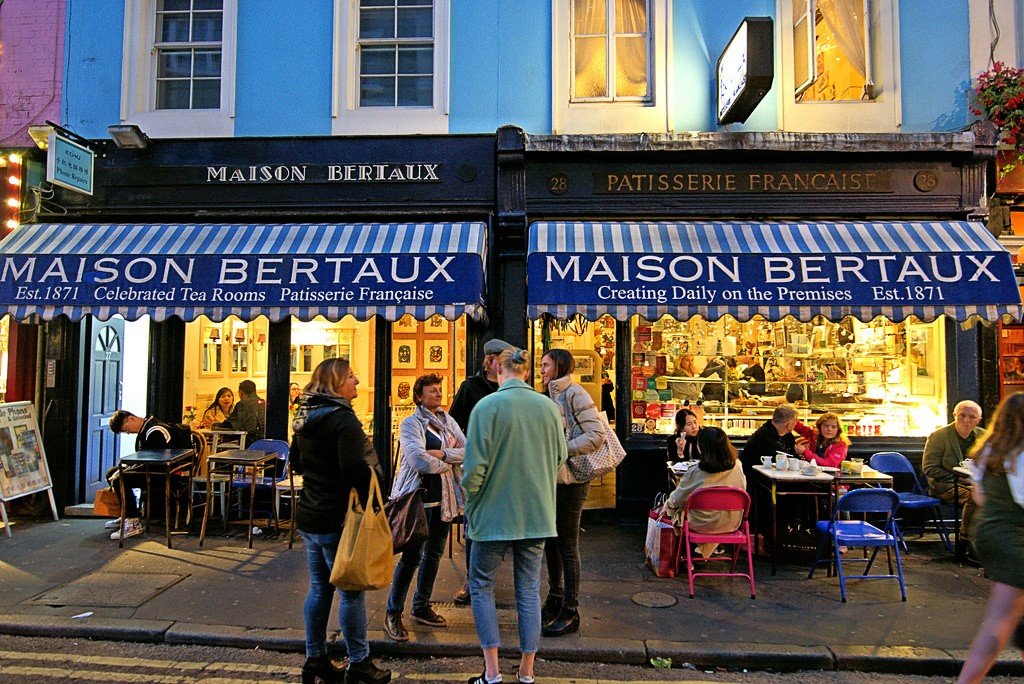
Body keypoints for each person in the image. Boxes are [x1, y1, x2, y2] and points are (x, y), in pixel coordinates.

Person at [462, 347, 567, 684]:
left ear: (499, 370)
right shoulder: (548, 407)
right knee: (528, 589)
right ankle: (526, 671)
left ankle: (492, 672)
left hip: (492, 514)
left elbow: (474, 468)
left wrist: (472, 499)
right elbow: (560, 456)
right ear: (526, 372)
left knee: (481, 585)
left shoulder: (487, 406)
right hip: (536, 513)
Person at [290, 358, 391, 684]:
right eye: (350, 376)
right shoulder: (343, 420)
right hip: (337, 519)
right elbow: (354, 468)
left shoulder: (303, 417)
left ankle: (315, 658)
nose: (357, 380)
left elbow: (296, 464)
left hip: (309, 515)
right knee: (350, 591)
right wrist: (374, 494)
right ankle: (359, 662)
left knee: (319, 588)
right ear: (336, 383)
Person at [384, 373, 466, 642]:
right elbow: (419, 461)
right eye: (432, 390)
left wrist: (442, 454)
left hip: (444, 499)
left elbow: (469, 449)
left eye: (439, 389)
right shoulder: (411, 424)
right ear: (419, 396)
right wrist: (449, 463)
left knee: (434, 555)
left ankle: (421, 606)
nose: (438, 394)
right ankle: (392, 613)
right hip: (416, 499)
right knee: (411, 558)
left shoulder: (446, 420)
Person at [956, 393, 1024, 684]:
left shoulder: (988, 451)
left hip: (990, 533)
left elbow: (979, 495)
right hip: (1014, 538)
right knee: (999, 622)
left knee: (1007, 614)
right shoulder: (1019, 455)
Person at [539, 348, 605, 638]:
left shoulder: (574, 393)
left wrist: (561, 450)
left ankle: (571, 610)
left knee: (567, 544)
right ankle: (555, 598)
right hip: (553, 479)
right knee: (551, 542)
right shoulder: (551, 395)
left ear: (559, 366)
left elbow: (596, 434)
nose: (541, 370)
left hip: (573, 480)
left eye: (545, 365)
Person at [447, 337, 514, 605]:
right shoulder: (471, 387)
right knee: (475, 523)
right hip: (480, 466)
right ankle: (472, 579)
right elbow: (453, 426)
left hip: (510, 465)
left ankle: (492, 576)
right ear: (490, 360)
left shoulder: (513, 388)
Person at [106, 410, 194, 540]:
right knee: (111, 473)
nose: (129, 433)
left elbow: (155, 462)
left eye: (127, 430)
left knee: (119, 479)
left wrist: (127, 470)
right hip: (156, 469)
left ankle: (133, 521)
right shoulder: (148, 428)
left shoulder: (155, 432)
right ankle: (129, 513)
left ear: (131, 419)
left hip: (165, 474)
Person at [663, 426, 746, 558]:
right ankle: (705, 550)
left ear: (702, 447)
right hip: (731, 522)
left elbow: (676, 499)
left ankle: (683, 554)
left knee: (673, 509)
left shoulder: (696, 472)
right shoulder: (738, 466)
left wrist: (666, 507)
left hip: (701, 523)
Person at [923, 400, 984, 560]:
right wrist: (960, 478)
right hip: (945, 485)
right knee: (974, 498)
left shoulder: (984, 436)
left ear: (979, 419)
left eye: (972, 417)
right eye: (962, 415)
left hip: (976, 483)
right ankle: (964, 543)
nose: (966, 420)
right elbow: (929, 468)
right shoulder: (939, 436)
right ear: (954, 415)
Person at [740, 404, 798, 478]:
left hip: (782, 476)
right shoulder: (762, 437)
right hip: (761, 481)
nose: (796, 424)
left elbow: (793, 456)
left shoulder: (787, 435)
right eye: (795, 421)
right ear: (789, 424)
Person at [215, 379, 266, 445]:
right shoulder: (262, 402)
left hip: (249, 441)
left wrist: (216, 425)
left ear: (241, 392)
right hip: (263, 439)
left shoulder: (242, 404)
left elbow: (231, 423)